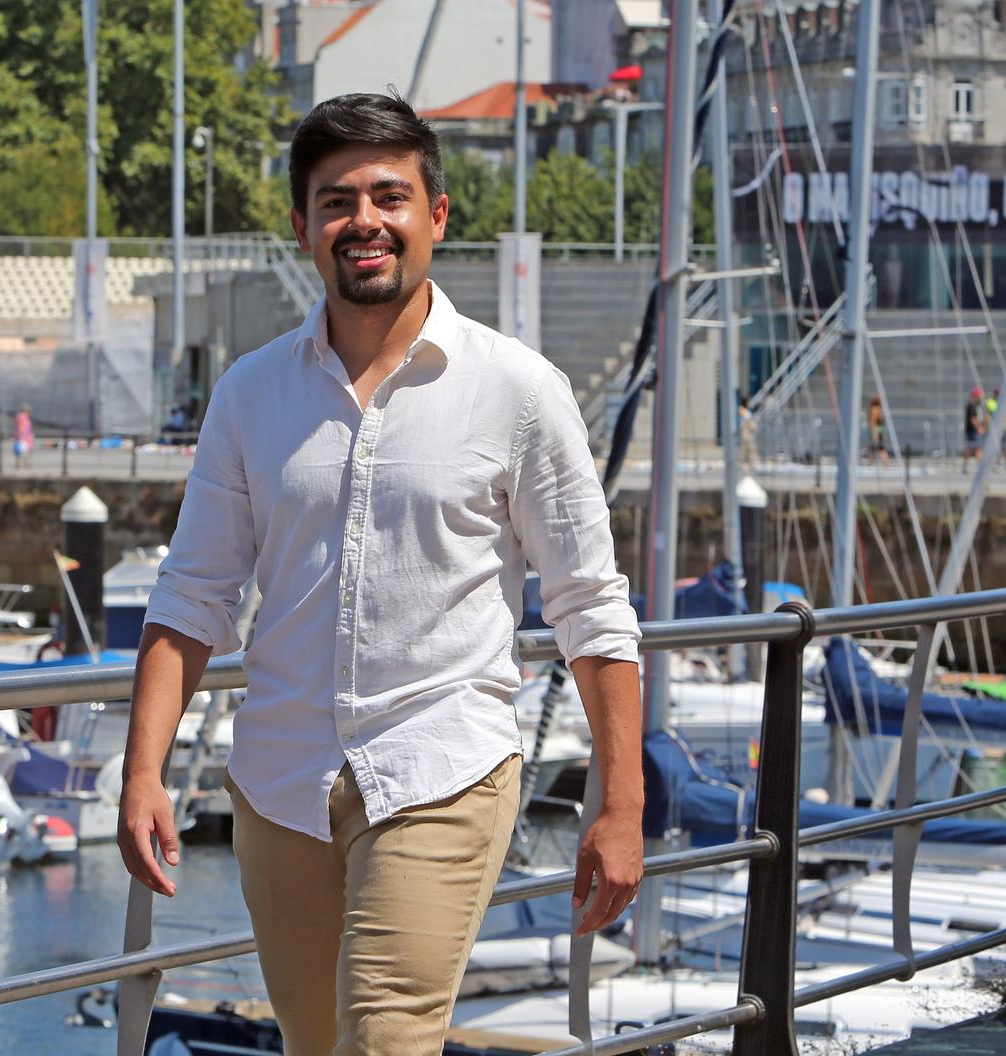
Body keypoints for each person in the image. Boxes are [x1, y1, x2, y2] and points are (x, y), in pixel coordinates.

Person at [117, 93, 644, 1056]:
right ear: (303, 227)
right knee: (317, 1048)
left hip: (442, 763)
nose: (363, 221)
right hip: (282, 780)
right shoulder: (250, 395)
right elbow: (192, 595)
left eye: (389, 197)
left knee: (383, 1039)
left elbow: (591, 608)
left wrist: (621, 805)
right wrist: (143, 772)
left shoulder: (518, 390)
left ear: (435, 217)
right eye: (335, 201)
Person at [963, 387, 986, 465]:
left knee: (970, 449)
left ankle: (966, 465)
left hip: (973, 431)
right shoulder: (971, 405)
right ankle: (980, 465)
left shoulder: (977, 405)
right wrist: (979, 428)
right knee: (978, 448)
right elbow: (973, 419)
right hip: (973, 431)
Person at [12, 406, 34, 470]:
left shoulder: (22, 417)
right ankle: (21, 465)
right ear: (26, 411)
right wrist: (21, 437)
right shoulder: (21, 417)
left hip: (23, 437)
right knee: (22, 452)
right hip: (23, 438)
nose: (29, 413)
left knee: (21, 452)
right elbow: (20, 427)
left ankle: (20, 464)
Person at [866, 394, 887, 460]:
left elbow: (873, 422)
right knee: (874, 448)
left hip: (876, 430)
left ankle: (885, 464)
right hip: (879, 430)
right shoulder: (878, 409)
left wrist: (874, 433)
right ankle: (871, 461)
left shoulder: (874, 409)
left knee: (880, 448)